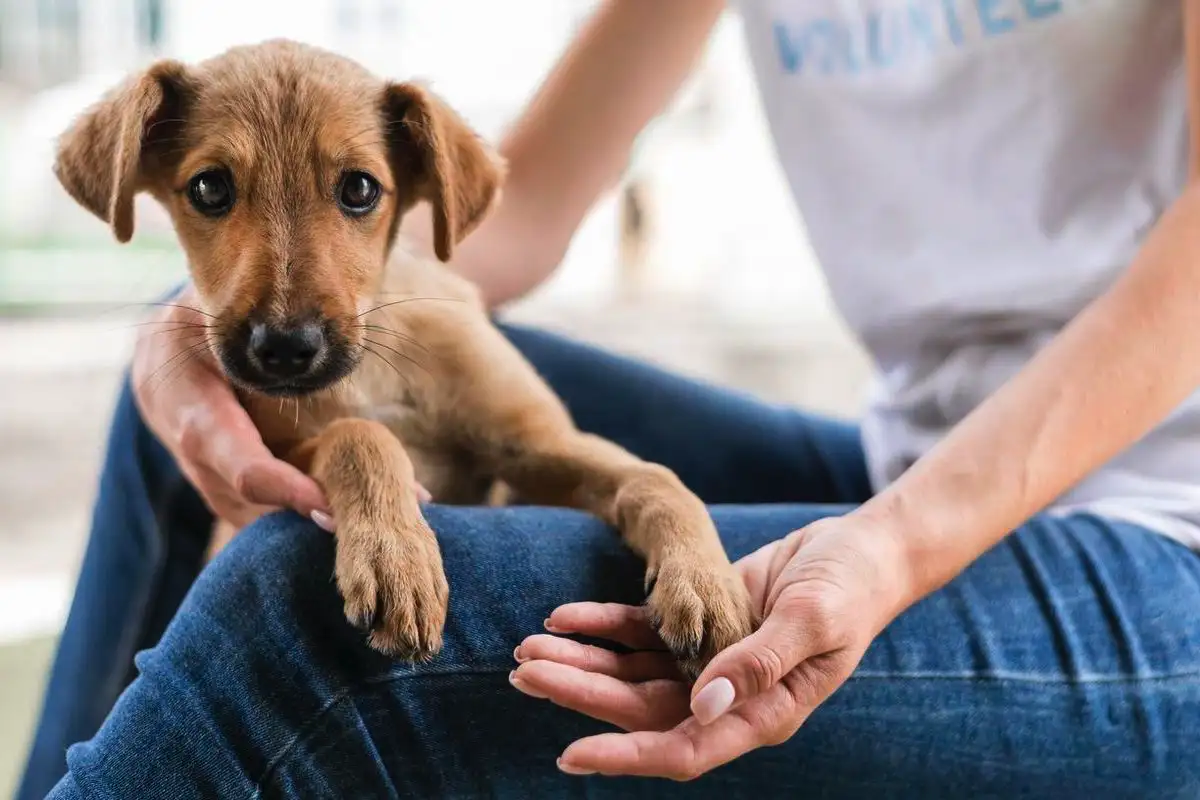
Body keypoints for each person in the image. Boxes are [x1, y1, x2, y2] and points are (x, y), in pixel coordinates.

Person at [17, 1, 1200, 796]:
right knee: (179, 392)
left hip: (1162, 539)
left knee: (294, 602)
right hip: (909, 454)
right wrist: (190, 325)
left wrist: (892, 546)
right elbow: (515, 214)